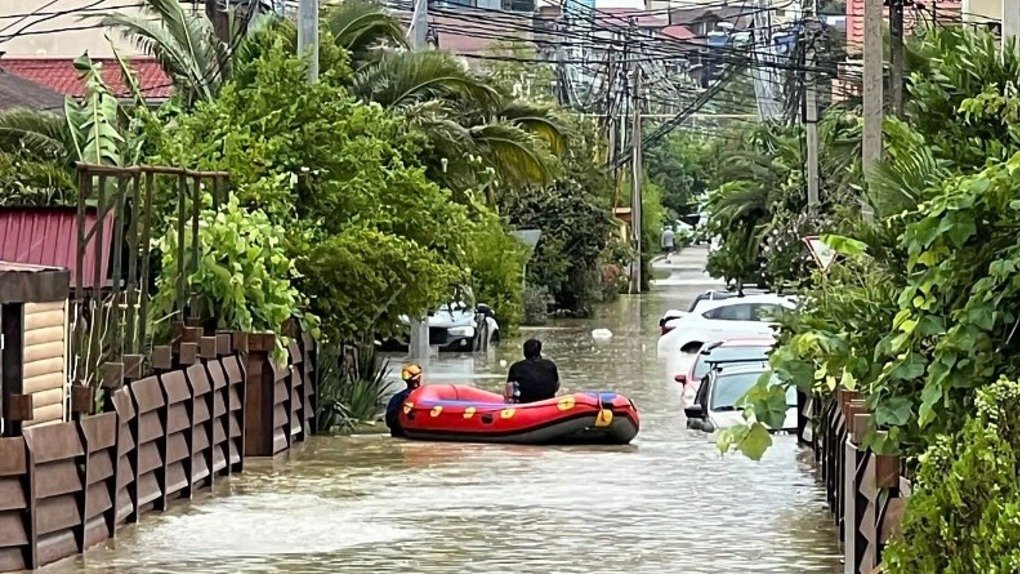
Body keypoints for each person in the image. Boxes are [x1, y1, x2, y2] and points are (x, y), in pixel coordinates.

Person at [506, 339, 559, 403]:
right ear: (539, 351)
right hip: (548, 402)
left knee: (509, 389)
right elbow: (556, 386)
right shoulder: (550, 364)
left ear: (524, 352)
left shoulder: (516, 367)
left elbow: (509, 391)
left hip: (525, 403)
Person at [386, 364, 423, 438]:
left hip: (398, 433)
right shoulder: (422, 396)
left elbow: (389, 420)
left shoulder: (397, 397)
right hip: (411, 434)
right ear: (418, 377)